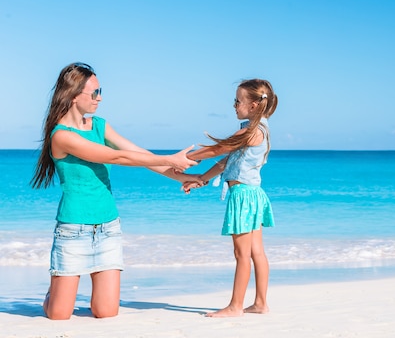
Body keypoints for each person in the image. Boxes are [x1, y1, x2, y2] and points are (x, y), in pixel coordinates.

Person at [30, 62, 200, 320]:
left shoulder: (100, 126)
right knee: (59, 315)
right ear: (74, 95)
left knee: (106, 312)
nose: (101, 97)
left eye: (101, 91)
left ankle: (66, 290)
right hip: (73, 229)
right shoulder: (61, 136)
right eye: (95, 92)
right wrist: (171, 159)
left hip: (108, 227)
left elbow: (140, 155)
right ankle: (52, 294)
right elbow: (117, 157)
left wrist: (182, 176)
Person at [183, 78, 277, 318]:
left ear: (254, 105)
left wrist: (184, 158)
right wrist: (201, 178)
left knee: (242, 254)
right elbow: (226, 161)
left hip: (243, 196)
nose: (234, 105)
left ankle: (236, 306)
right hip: (254, 193)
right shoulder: (260, 129)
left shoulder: (250, 131)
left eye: (238, 100)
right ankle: (260, 303)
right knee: (256, 252)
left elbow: (218, 149)